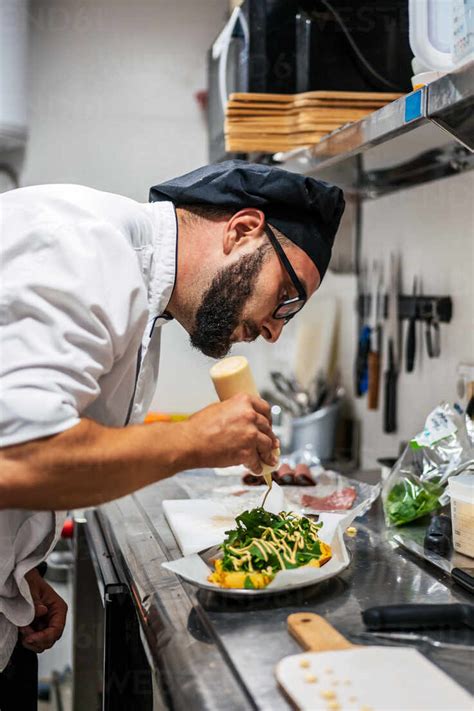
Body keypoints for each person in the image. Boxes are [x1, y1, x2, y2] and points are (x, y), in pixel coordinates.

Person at [0, 160, 344, 706]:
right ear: (242, 230)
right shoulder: (84, 248)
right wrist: (195, 441)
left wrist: (16, 574)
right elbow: (15, 458)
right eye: (288, 297)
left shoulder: (139, 297)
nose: (276, 331)